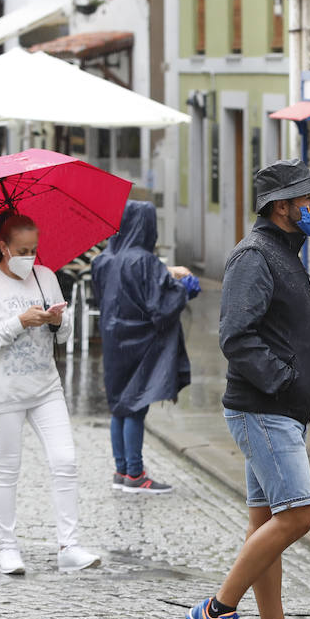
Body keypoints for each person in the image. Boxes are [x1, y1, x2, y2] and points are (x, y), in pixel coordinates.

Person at [186, 158, 310, 619]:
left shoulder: (283, 252)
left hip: (276, 411)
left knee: (265, 521)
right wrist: (284, 383)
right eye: (307, 199)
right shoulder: (255, 256)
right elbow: (235, 336)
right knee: (298, 515)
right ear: (281, 207)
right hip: (264, 410)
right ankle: (217, 612)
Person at [0, 210, 100, 575]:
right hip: (2, 393)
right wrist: (18, 322)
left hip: (45, 387)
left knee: (65, 461)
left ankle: (69, 546)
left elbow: (65, 332)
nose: (30, 257)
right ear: (3, 247)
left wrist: (58, 320)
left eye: (34, 250)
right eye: (22, 250)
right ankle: (7, 548)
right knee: (7, 469)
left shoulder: (46, 277)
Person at [91, 200, 200, 494]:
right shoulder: (144, 261)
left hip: (114, 340)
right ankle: (136, 474)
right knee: (136, 405)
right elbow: (161, 306)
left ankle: (121, 469)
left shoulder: (102, 260)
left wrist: (167, 275)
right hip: (140, 343)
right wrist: (185, 290)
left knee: (118, 407)